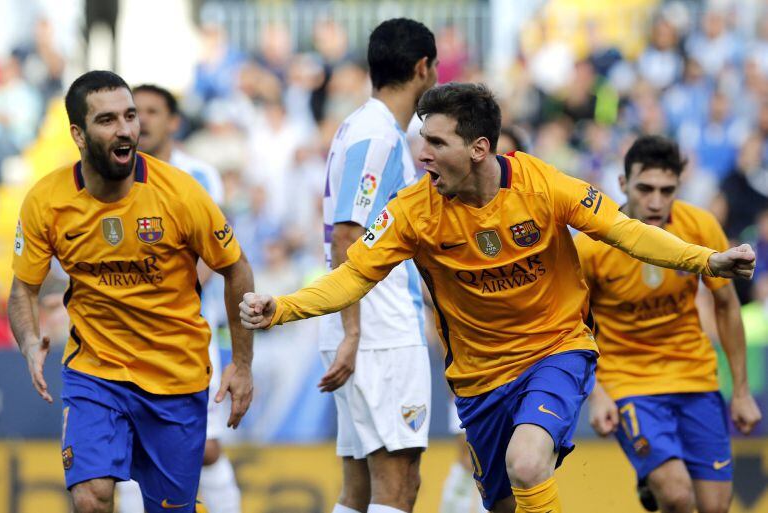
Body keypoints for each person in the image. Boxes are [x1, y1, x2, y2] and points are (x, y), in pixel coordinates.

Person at [239, 82, 756, 513]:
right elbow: (352, 276)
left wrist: (704, 260)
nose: (422, 154)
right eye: (422, 140)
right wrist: (283, 307)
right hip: (480, 379)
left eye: (437, 143)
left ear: (479, 149)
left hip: (556, 350)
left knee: (528, 461)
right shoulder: (413, 210)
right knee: (509, 501)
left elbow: (626, 232)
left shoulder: (541, 185)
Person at [9, 70, 254, 513]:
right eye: (107, 120)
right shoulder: (46, 200)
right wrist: (28, 340)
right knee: (92, 496)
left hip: (174, 376)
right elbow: (22, 288)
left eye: (130, 116)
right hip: (95, 373)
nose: (124, 129)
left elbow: (237, 268)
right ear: (78, 134)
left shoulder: (180, 192)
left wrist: (242, 361)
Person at [577, 135, 762, 513]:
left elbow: (726, 306)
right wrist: (596, 395)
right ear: (623, 184)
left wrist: (741, 391)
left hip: (695, 376)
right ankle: (657, 477)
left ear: (680, 186)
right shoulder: (592, 244)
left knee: (714, 507)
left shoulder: (699, 226)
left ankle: (652, 479)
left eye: (667, 190)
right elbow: (571, 326)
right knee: (678, 495)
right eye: (645, 188)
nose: (656, 202)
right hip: (629, 382)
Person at [316, 18, 437, 513]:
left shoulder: (362, 126)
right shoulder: (379, 137)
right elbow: (349, 232)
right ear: (423, 69)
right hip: (377, 328)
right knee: (399, 482)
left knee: (360, 487)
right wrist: (353, 331)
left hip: (362, 322)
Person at [110, 84, 242, 513]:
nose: (141, 120)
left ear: (173, 121)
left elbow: (213, 251)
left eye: (151, 111)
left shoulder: (198, 175)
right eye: (134, 111)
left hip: (187, 330)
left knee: (205, 448)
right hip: (125, 337)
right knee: (133, 446)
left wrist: (163, 301)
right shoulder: (112, 175)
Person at [439, 124, 528, 513]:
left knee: (525, 459)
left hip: (529, 359)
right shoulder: (448, 218)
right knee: (472, 454)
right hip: (472, 362)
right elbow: (434, 294)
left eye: (504, 157)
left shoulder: (535, 217)